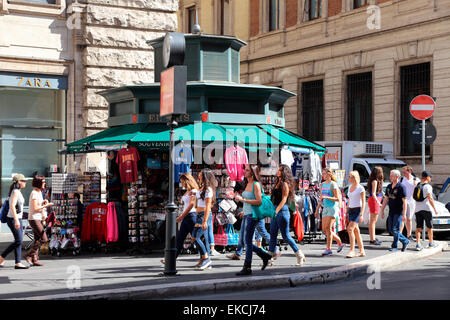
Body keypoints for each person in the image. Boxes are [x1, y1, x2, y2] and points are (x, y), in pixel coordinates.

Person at [234, 164, 273, 275]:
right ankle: (264, 256)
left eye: (246, 170)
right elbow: (247, 200)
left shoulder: (256, 184)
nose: (244, 172)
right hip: (247, 214)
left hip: (253, 215)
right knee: (246, 241)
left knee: (247, 241)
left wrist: (243, 199)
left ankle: (247, 267)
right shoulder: (248, 183)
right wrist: (240, 201)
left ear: (252, 172)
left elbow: (259, 201)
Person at [268, 164, 306, 265]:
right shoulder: (277, 182)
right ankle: (269, 258)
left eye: (279, 170)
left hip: (282, 211)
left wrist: (276, 211)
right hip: (276, 209)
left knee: (286, 236)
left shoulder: (284, 184)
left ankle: (299, 254)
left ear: (283, 172)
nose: (277, 171)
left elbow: (284, 199)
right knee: (273, 234)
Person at [161, 173, 198, 265]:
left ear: (187, 181)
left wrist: (182, 216)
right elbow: (187, 205)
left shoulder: (193, 191)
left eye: (182, 181)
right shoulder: (188, 191)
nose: (182, 183)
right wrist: (182, 215)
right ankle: (170, 259)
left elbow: (192, 204)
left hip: (191, 216)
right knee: (180, 239)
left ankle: (205, 257)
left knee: (195, 239)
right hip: (187, 216)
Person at [0, 174, 29, 269]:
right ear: (18, 182)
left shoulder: (18, 191)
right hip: (13, 219)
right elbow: (12, 206)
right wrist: (16, 220)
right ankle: (2, 257)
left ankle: (18, 263)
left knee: (18, 240)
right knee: (18, 240)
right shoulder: (15, 191)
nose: (25, 182)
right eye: (23, 181)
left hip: (17, 218)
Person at [25, 175, 53, 266]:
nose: (45, 184)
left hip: (38, 218)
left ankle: (35, 259)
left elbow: (38, 205)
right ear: (39, 183)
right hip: (34, 218)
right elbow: (36, 208)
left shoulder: (39, 192)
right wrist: (46, 205)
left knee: (37, 239)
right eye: (43, 182)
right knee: (44, 239)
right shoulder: (34, 193)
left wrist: (43, 203)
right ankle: (28, 254)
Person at [315, 167, 345, 256]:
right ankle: (339, 242)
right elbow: (320, 199)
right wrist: (317, 210)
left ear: (329, 174)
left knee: (328, 228)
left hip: (333, 207)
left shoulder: (333, 184)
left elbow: (337, 198)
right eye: (322, 173)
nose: (323, 175)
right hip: (325, 208)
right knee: (324, 229)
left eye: (324, 173)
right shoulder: (322, 185)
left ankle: (328, 249)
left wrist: (327, 197)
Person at [191, 169, 216, 270]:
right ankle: (204, 259)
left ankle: (206, 258)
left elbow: (208, 206)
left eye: (201, 176)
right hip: (199, 215)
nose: (199, 177)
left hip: (204, 215)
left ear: (205, 177)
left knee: (195, 237)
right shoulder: (202, 188)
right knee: (196, 237)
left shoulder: (208, 190)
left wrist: (205, 221)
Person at [380, 170, 410, 252]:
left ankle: (394, 246)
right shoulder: (389, 186)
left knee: (395, 229)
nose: (390, 177)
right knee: (390, 229)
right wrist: (382, 210)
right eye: (390, 175)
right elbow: (386, 199)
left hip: (398, 211)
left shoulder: (401, 187)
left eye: (392, 176)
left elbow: (404, 201)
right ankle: (405, 241)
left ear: (397, 177)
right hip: (391, 211)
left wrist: (404, 214)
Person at [414, 171, 439, 251]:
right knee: (429, 227)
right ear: (427, 177)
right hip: (426, 208)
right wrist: (435, 209)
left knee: (418, 227)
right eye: (430, 177)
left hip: (417, 209)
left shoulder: (417, 185)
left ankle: (418, 244)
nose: (430, 178)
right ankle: (431, 243)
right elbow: (430, 198)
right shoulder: (428, 186)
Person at [345, 171, 366, 258]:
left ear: (354, 177)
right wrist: (347, 209)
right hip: (351, 210)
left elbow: (364, 202)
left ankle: (352, 250)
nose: (348, 178)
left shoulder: (360, 188)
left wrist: (361, 214)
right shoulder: (350, 187)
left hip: (357, 210)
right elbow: (350, 199)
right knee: (356, 231)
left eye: (349, 176)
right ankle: (362, 251)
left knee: (350, 229)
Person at [400, 165, 420, 240]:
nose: (403, 174)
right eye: (403, 172)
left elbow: (419, 190)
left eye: (405, 172)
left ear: (409, 171)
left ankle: (409, 235)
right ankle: (400, 234)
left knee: (409, 218)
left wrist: (416, 185)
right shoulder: (402, 179)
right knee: (402, 218)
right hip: (403, 200)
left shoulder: (415, 179)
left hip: (411, 201)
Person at [367, 167, 384, 245]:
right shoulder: (375, 181)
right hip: (375, 200)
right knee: (373, 221)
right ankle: (372, 239)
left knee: (373, 221)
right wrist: (378, 202)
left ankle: (372, 237)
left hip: (375, 200)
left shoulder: (375, 181)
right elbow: (374, 193)